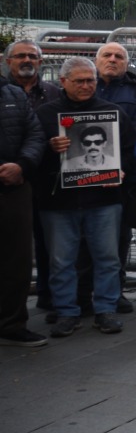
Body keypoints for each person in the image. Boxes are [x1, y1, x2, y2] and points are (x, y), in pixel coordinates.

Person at [37, 56, 136, 337]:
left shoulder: (113, 113)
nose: (85, 86)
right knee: (61, 260)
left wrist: (121, 171)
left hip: (103, 201)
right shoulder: (46, 115)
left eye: (90, 80)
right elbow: (30, 153)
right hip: (58, 203)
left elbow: (130, 152)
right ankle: (67, 312)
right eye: (79, 81)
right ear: (63, 81)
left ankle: (105, 310)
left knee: (107, 258)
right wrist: (48, 147)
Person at [5, 40, 61, 319]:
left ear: (40, 61)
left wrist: (24, 163)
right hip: (12, 182)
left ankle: (48, 298)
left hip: (44, 180)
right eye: (20, 56)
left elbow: (37, 135)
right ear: (7, 61)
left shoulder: (53, 92)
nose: (27, 60)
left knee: (45, 242)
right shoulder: (6, 93)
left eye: (33, 56)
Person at [95, 42, 136, 314]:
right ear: (97, 60)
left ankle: (115, 291)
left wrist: (121, 167)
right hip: (81, 177)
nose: (113, 60)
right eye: (107, 55)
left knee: (118, 237)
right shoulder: (83, 83)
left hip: (122, 176)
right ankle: (83, 295)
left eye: (119, 56)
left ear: (126, 63)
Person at [0, 71, 45, 347]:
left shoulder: (14, 94)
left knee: (17, 261)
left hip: (14, 186)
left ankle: (11, 324)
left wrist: (22, 165)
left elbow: (35, 134)